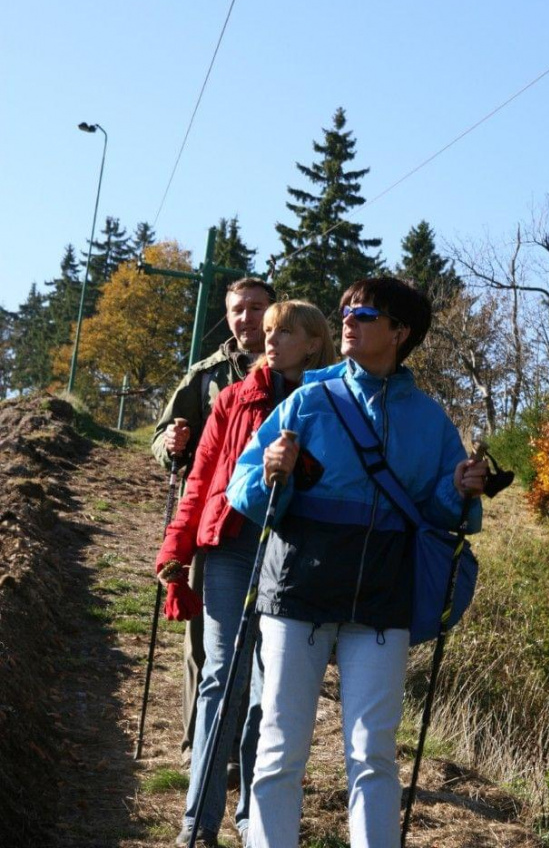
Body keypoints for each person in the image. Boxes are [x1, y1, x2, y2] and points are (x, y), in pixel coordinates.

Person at [226, 276, 488, 848]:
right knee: (279, 748)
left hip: (381, 599)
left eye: (365, 313)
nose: (348, 320)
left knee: (373, 754)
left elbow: (439, 515)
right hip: (296, 591)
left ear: (400, 333)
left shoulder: (430, 420)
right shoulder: (309, 400)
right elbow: (244, 491)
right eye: (346, 310)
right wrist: (272, 470)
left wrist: (461, 488)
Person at [156, 300, 336, 848]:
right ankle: (198, 821)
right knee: (221, 677)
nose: (268, 337)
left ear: (312, 343)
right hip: (233, 548)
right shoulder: (234, 398)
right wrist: (175, 553)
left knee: (271, 688)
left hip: (297, 553)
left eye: (283, 331)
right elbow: (202, 480)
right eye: (268, 330)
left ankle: (252, 817)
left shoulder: (332, 405)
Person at [152, 276, 276, 772]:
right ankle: (197, 746)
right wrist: (171, 445)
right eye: (237, 309)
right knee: (205, 641)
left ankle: (246, 751)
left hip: (272, 524)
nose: (245, 318)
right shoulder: (205, 376)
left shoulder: (299, 370)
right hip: (212, 523)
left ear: (273, 312)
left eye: (256, 308)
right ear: (226, 316)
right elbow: (164, 433)